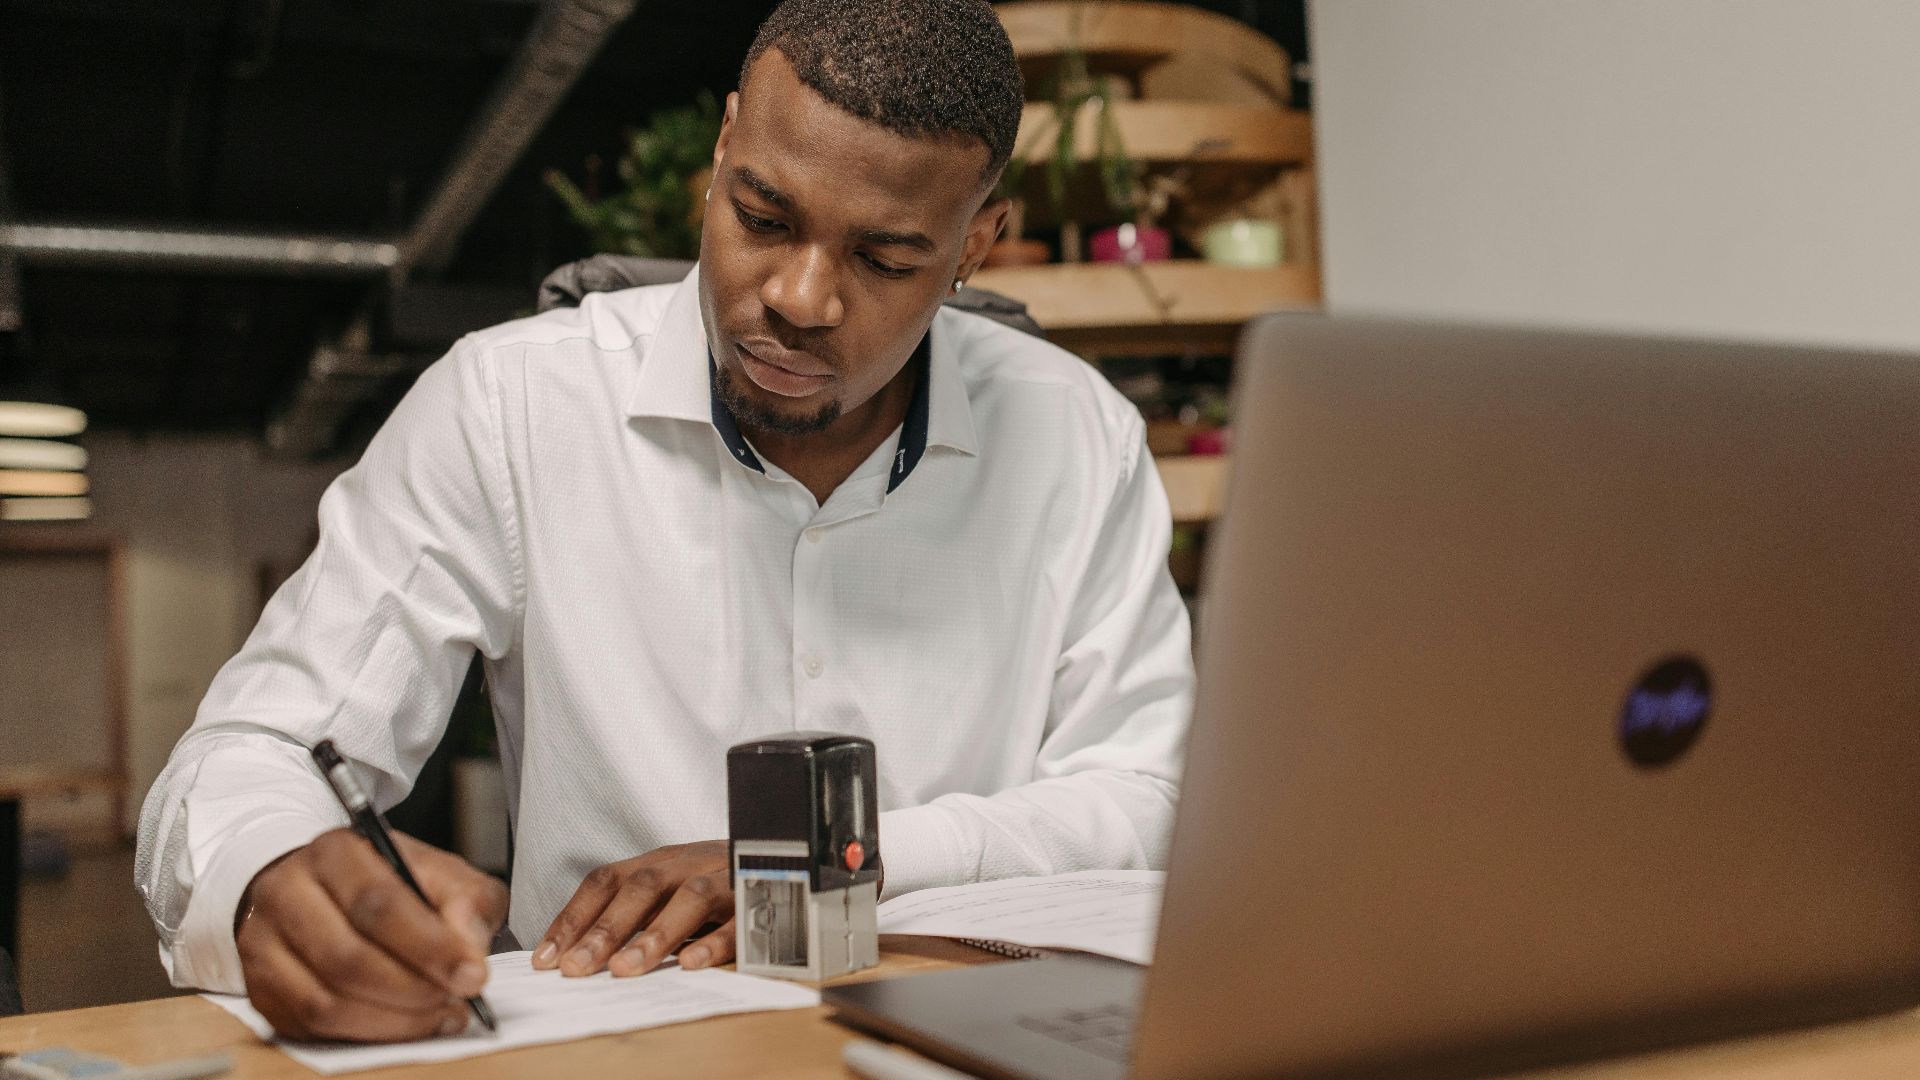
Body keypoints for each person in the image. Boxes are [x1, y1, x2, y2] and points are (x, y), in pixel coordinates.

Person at [136, 0, 1192, 1043]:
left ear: (978, 244)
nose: (798, 298)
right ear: (726, 144)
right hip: (614, 1049)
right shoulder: (509, 408)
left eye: (884, 259)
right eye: (763, 218)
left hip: (959, 1039)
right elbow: (255, 748)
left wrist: (839, 861)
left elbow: (1146, 795)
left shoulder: (1078, 435)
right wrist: (270, 874)